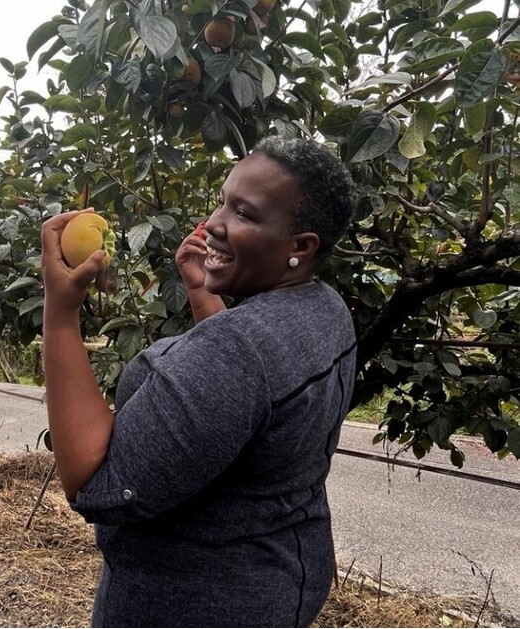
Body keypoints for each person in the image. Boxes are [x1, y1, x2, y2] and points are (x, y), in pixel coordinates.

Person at [40, 135, 357, 628]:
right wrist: (199, 290)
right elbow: (243, 392)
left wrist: (60, 313)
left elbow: (97, 486)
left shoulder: (237, 353)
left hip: (189, 603)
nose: (213, 224)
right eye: (223, 201)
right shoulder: (325, 310)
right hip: (281, 580)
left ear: (300, 245)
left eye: (244, 214)